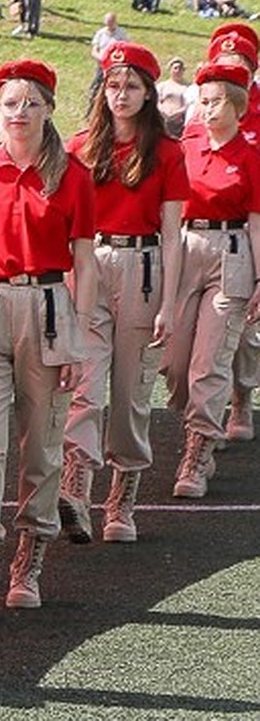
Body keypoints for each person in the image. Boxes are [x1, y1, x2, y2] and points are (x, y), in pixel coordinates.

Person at [0, 59, 96, 615]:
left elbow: (85, 262)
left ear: (49, 110)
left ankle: (28, 559)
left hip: (49, 308)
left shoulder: (72, 175)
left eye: (32, 102)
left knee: (42, 446)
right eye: (11, 103)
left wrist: (78, 340)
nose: (20, 112)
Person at [62, 43, 188, 543]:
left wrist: (170, 302)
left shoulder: (168, 152)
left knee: (132, 393)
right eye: (113, 85)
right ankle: (76, 485)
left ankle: (122, 496)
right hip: (90, 264)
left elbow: (173, 233)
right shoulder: (78, 148)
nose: (120, 95)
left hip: (144, 266)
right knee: (84, 385)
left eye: (131, 86)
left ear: (149, 92)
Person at [163, 60, 260, 498]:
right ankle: (199, 421)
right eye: (202, 101)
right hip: (184, 249)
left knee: (211, 360)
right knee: (175, 362)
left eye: (216, 100)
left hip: (232, 252)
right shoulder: (186, 147)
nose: (206, 108)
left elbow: (257, 224)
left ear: (238, 105)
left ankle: (198, 451)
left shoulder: (251, 158)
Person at [156, 56, 193, 139]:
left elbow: (189, 104)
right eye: (175, 68)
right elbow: (156, 100)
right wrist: (162, 111)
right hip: (163, 119)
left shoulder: (187, 87)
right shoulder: (163, 85)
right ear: (170, 70)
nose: (177, 71)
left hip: (179, 122)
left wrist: (178, 112)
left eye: (180, 68)